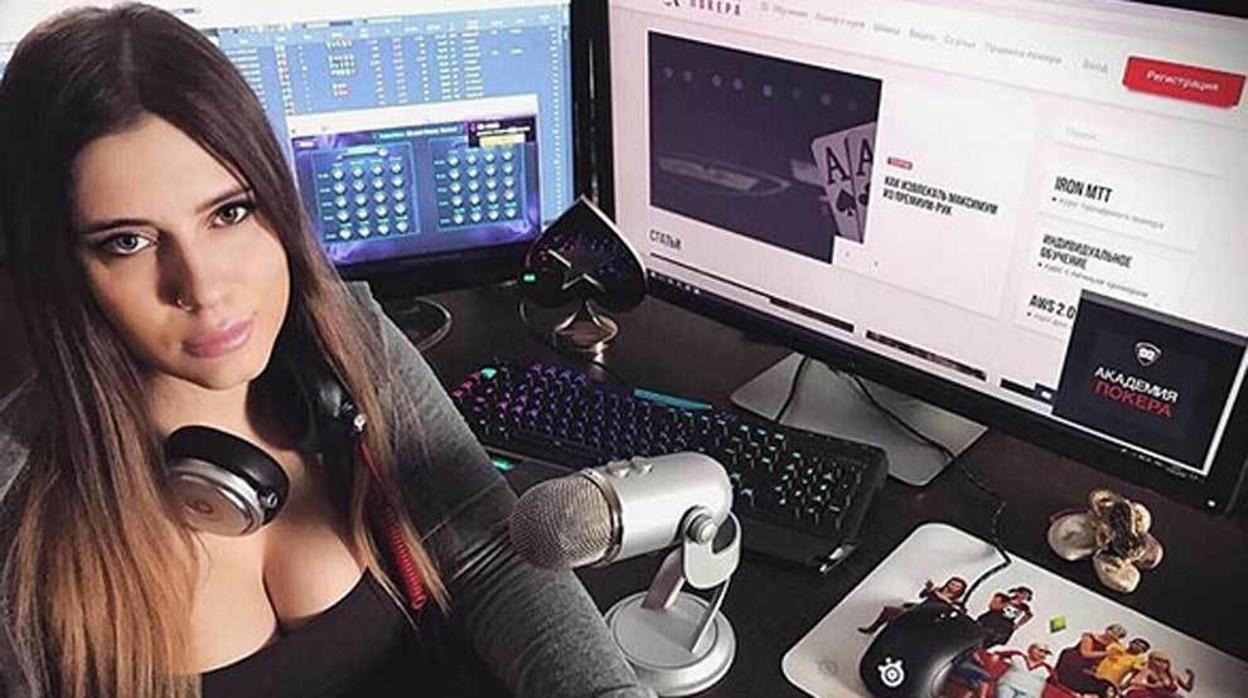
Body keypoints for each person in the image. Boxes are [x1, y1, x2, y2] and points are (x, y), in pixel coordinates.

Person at [0, 5, 652, 698]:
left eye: (229, 212)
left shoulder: (349, 339)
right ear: (56, 267)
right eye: (128, 242)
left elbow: (490, 561)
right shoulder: (20, 507)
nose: (203, 287)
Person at [857, 576, 968, 634]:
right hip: (919, 609)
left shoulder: (955, 602)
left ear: (961, 590)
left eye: (957, 586)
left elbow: (950, 607)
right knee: (888, 611)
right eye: (952, 584)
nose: (953, 587)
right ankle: (873, 628)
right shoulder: (938, 590)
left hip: (927, 617)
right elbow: (922, 596)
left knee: (895, 615)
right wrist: (928, 589)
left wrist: (938, 595)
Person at [1053, 624, 1128, 698]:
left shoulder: (1114, 645)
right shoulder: (1090, 637)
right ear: (1107, 630)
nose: (1111, 638)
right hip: (1076, 661)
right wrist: (1106, 653)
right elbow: (1085, 653)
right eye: (1112, 633)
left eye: (1114, 637)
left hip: (1092, 666)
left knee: (1104, 685)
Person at [1122, 652, 1195, 698]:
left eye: (1164, 662)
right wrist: (1153, 686)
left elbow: (1188, 688)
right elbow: (1134, 681)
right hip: (1152, 694)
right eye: (1158, 661)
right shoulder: (1148, 671)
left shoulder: (1173, 675)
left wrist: (1192, 677)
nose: (1161, 664)